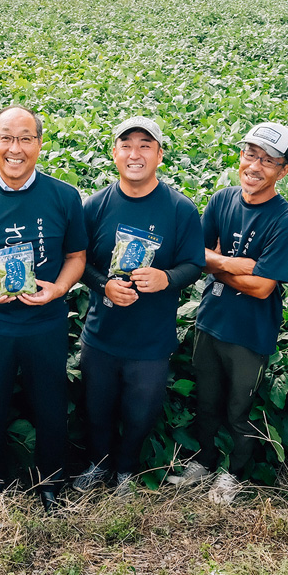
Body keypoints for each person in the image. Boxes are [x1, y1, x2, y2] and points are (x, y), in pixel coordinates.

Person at [0, 105, 87, 509]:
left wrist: (58, 289)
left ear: (39, 145)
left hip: (47, 321)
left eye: (26, 138)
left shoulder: (63, 195)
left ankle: (50, 483)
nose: (15, 148)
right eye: (6, 137)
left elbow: (77, 255)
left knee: (50, 403)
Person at [72, 116, 203, 494]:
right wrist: (103, 286)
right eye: (126, 145)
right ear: (114, 153)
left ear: (159, 155)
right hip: (101, 335)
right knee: (96, 409)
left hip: (151, 340)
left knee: (140, 412)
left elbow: (194, 264)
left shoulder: (180, 209)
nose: (135, 153)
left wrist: (167, 278)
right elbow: (80, 264)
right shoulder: (94, 207)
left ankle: (126, 471)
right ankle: (98, 465)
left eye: (146, 145)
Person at [185, 122, 288, 504]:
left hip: (251, 332)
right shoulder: (222, 200)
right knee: (206, 401)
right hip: (211, 319)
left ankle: (233, 474)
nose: (255, 165)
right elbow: (195, 255)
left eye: (268, 160)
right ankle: (203, 461)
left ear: (283, 170)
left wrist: (217, 262)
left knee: (239, 410)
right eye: (250, 154)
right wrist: (241, 263)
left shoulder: (284, 221)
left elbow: (263, 287)